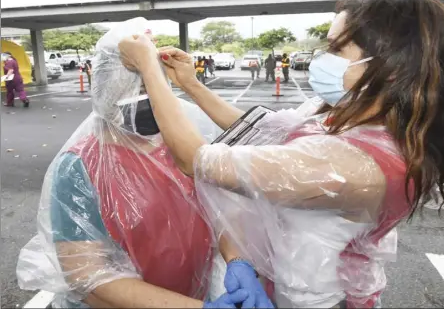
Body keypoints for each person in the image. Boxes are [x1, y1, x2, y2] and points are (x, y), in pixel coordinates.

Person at [118, 0, 444, 307]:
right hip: (284, 278)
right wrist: (190, 84)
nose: (322, 59)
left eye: (336, 50)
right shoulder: (357, 115)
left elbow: (196, 159)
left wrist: (150, 69)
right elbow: (263, 129)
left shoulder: (352, 167)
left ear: (391, 69)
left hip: (315, 298)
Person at [15, 17, 263, 309]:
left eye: (152, 90)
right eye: (135, 93)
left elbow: (220, 210)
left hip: (193, 293)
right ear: (106, 95)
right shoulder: (81, 166)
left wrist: (237, 260)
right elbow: (86, 275)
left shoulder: (183, 146)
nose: (148, 103)